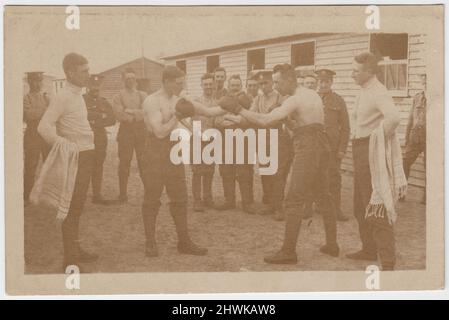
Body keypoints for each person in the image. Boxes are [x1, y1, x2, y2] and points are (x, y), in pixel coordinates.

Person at [220, 64, 339, 264]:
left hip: (308, 146)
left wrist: (238, 109)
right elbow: (305, 124)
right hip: (319, 143)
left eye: (277, 81)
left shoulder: (294, 99)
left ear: (289, 79)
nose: (275, 86)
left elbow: (266, 121)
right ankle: (332, 244)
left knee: (293, 199)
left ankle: (288, 252)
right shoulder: (312, 95)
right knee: (323, 196)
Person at [141, 65, 227, 257]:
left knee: (180, 197)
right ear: (167, 82)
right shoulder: (152, 101)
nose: (183, 85)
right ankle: (150, 241)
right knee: (152, 197)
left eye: (184, 82)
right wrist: (178, 116)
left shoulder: (180, 99)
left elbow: (209, 112)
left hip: (175, 149)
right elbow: (160, 132)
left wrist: (233, 104)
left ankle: (184, 242)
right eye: (179, 83)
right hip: (155, 149)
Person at [38, 53, 98, 271]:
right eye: (84, 71)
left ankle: (76, 249)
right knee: (71, 208)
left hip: (86, 155)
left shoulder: (78, 95)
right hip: (75, 157)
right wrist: (64, 145)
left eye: (88, 70)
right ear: (70, 72)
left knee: (78, 207)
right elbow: (43, 127)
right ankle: (70, 258)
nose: (88, 75)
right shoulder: (62, 96)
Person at [346, 52, 404, 270]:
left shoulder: (378, 91)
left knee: (376, 205)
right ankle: (369, 249)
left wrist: (378, 143)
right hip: (359, 150)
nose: (352, 74)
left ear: (369, 71)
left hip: (370, 151)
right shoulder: (364, 90)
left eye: (356, 71)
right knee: (360, 206)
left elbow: (394, 118)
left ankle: (387, 261)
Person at [251, 70, 293, 220]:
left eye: (266, 83)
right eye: (260, 83)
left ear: (272, 83)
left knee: (278, 173)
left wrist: (265, 118)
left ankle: (278, 207)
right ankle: (269, 204)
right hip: (263, 137)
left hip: (278, 137)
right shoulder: (258, 99)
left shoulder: (281, 97)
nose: (263, 86)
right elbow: (253, 115)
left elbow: (282, 117)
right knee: (265, 171)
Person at [214, 74, 259, 215]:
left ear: (241, 86)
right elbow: (216, 120)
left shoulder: (249, 100)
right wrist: (224, 121)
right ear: (229, 86)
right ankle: (229, 201)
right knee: (226, 170)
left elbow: (249, 119)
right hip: (226, 139)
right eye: (232, 86)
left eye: (237, 86)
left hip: (243, 138)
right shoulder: (223, 100)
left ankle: (247, 202)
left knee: (245, 171)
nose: (235, 88)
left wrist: (229, 119)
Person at [316, 69, 350, 222]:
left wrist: (342, 148)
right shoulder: (312, 98)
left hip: (332, 146)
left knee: (334, 178)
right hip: (314, 145)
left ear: (331, 82)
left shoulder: (338, 100)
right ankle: (312, 206)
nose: (323, 84)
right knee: (312, 175)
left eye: (326, 81)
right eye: (321, 81)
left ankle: (335, 209)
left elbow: (345, 127)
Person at [112, 68, 148, 204]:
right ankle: (122, 194)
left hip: (141, 132)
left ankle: (149, 192)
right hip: (125, 132)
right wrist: (135, 115)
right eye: (127, 78)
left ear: (136, 79)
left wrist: (131, 111)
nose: (130, 81)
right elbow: (119, 114)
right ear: (123, 80)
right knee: (124, 164)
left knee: (144, 163)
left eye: (133, 78)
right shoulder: (118, 96)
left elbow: (146, 111)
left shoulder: (142, 95)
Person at [83, 74, 116, 204]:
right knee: (85, 166)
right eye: (93, 87)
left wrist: (95, 120)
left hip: (100, 137)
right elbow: (82, 116)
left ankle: (97, 195)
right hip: (86, 137)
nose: (95, 90)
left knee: (98, 165)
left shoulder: (104, 101)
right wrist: (101, 116)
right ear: (88, 86)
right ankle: (81, 195)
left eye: (97, 88)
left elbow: (112, 119)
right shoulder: (82, 100)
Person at [190, 73, 217, 211]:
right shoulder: (195, 101)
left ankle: (207, 197)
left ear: (214, 85)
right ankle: (197, 200)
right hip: (197, 138)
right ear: (201, 86)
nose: (208, 87)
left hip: (211, 138)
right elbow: (186, 118)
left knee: (209, 170)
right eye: (205, 84)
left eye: (210, 84)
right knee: (197, 171)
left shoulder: (217, 102)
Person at [23, 71, 51, 204]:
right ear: (29, 82)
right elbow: (28, 116)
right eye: (35, 81)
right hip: (32, 135)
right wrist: (45, 111)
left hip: (45, 135)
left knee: (49, 165)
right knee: (31, 167)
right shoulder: (25, 98)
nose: (38, 84)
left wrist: (42, 111)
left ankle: (47, 195)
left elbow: (53, 115)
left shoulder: (46, 98)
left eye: (40, 81)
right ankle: (27, 196)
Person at [402, 73, 426, 204]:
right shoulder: (417, 98)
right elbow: (410, 119)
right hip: (415, 137)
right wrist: (407, 137)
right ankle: (401, 192)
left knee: (430, 167)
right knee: (404, 162)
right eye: (424, 82)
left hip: (431, 139)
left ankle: (427, 197)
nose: (426, 84)